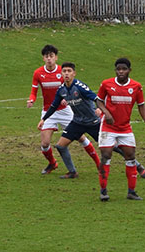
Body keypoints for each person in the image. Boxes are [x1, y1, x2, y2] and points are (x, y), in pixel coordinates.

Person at [40, 62, 145, 180]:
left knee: (115, 147)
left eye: (69, 71)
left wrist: (100, 110)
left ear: (74, 73)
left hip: (93, 123)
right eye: (64, 71)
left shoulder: (80, 87)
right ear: (61, 74)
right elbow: (54, 106)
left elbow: (96, 98)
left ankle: (138, 166)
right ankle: (72, 172)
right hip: (77, 122)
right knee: (60, 146)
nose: (66, 74)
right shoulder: (62, 90)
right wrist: (44, 119)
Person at [26, 45, 97, 174]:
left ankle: (98, 164)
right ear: (43, 58)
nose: (49, 59)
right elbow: (34, 91)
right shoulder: (38, 73)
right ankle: (52, 163)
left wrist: (67, 98)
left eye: (51, 56)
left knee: (81, 138)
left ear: (56, 57)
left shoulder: (62, 72)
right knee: (45, 143)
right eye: (46, 56)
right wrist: (31, 100)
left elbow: (69, 89)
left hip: (65, 110)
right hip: (49, 111)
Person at [96, 58, 145, 201]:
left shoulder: (136, 86)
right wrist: (106, 113)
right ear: (115, 70)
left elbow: (141, 105)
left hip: (125, 128)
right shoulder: (106, 84)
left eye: (124, 69)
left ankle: (131, 192)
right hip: (108, 127)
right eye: (118, 69)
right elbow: (98, 100)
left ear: (129, 70)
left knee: (130, 156)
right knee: (106, 156)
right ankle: (103, 191)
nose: (121, 71)